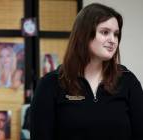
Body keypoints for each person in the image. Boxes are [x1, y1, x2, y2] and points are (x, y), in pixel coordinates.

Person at [30, 3, 143, 140]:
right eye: (105, 32)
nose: (113, 40)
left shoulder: (128, 82)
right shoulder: (50, 84)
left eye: (116, 34)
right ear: (84, 34)